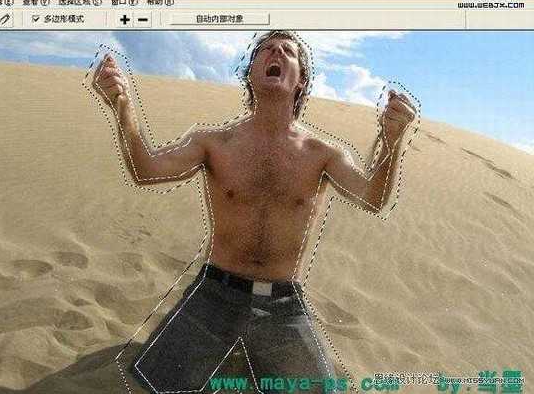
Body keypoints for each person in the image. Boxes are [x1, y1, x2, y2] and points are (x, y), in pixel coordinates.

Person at [92, 30, 416, 393]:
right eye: (265, 49)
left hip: (283, 303)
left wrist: (392, 141)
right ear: (250, 73)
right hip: (214, 293)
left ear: (301, 81)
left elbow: (372, 198)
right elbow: (146, 170)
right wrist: (122, 105)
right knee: (158, 385)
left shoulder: (322, 153)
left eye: (287, 51)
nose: (275, 52)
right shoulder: (213, 142)